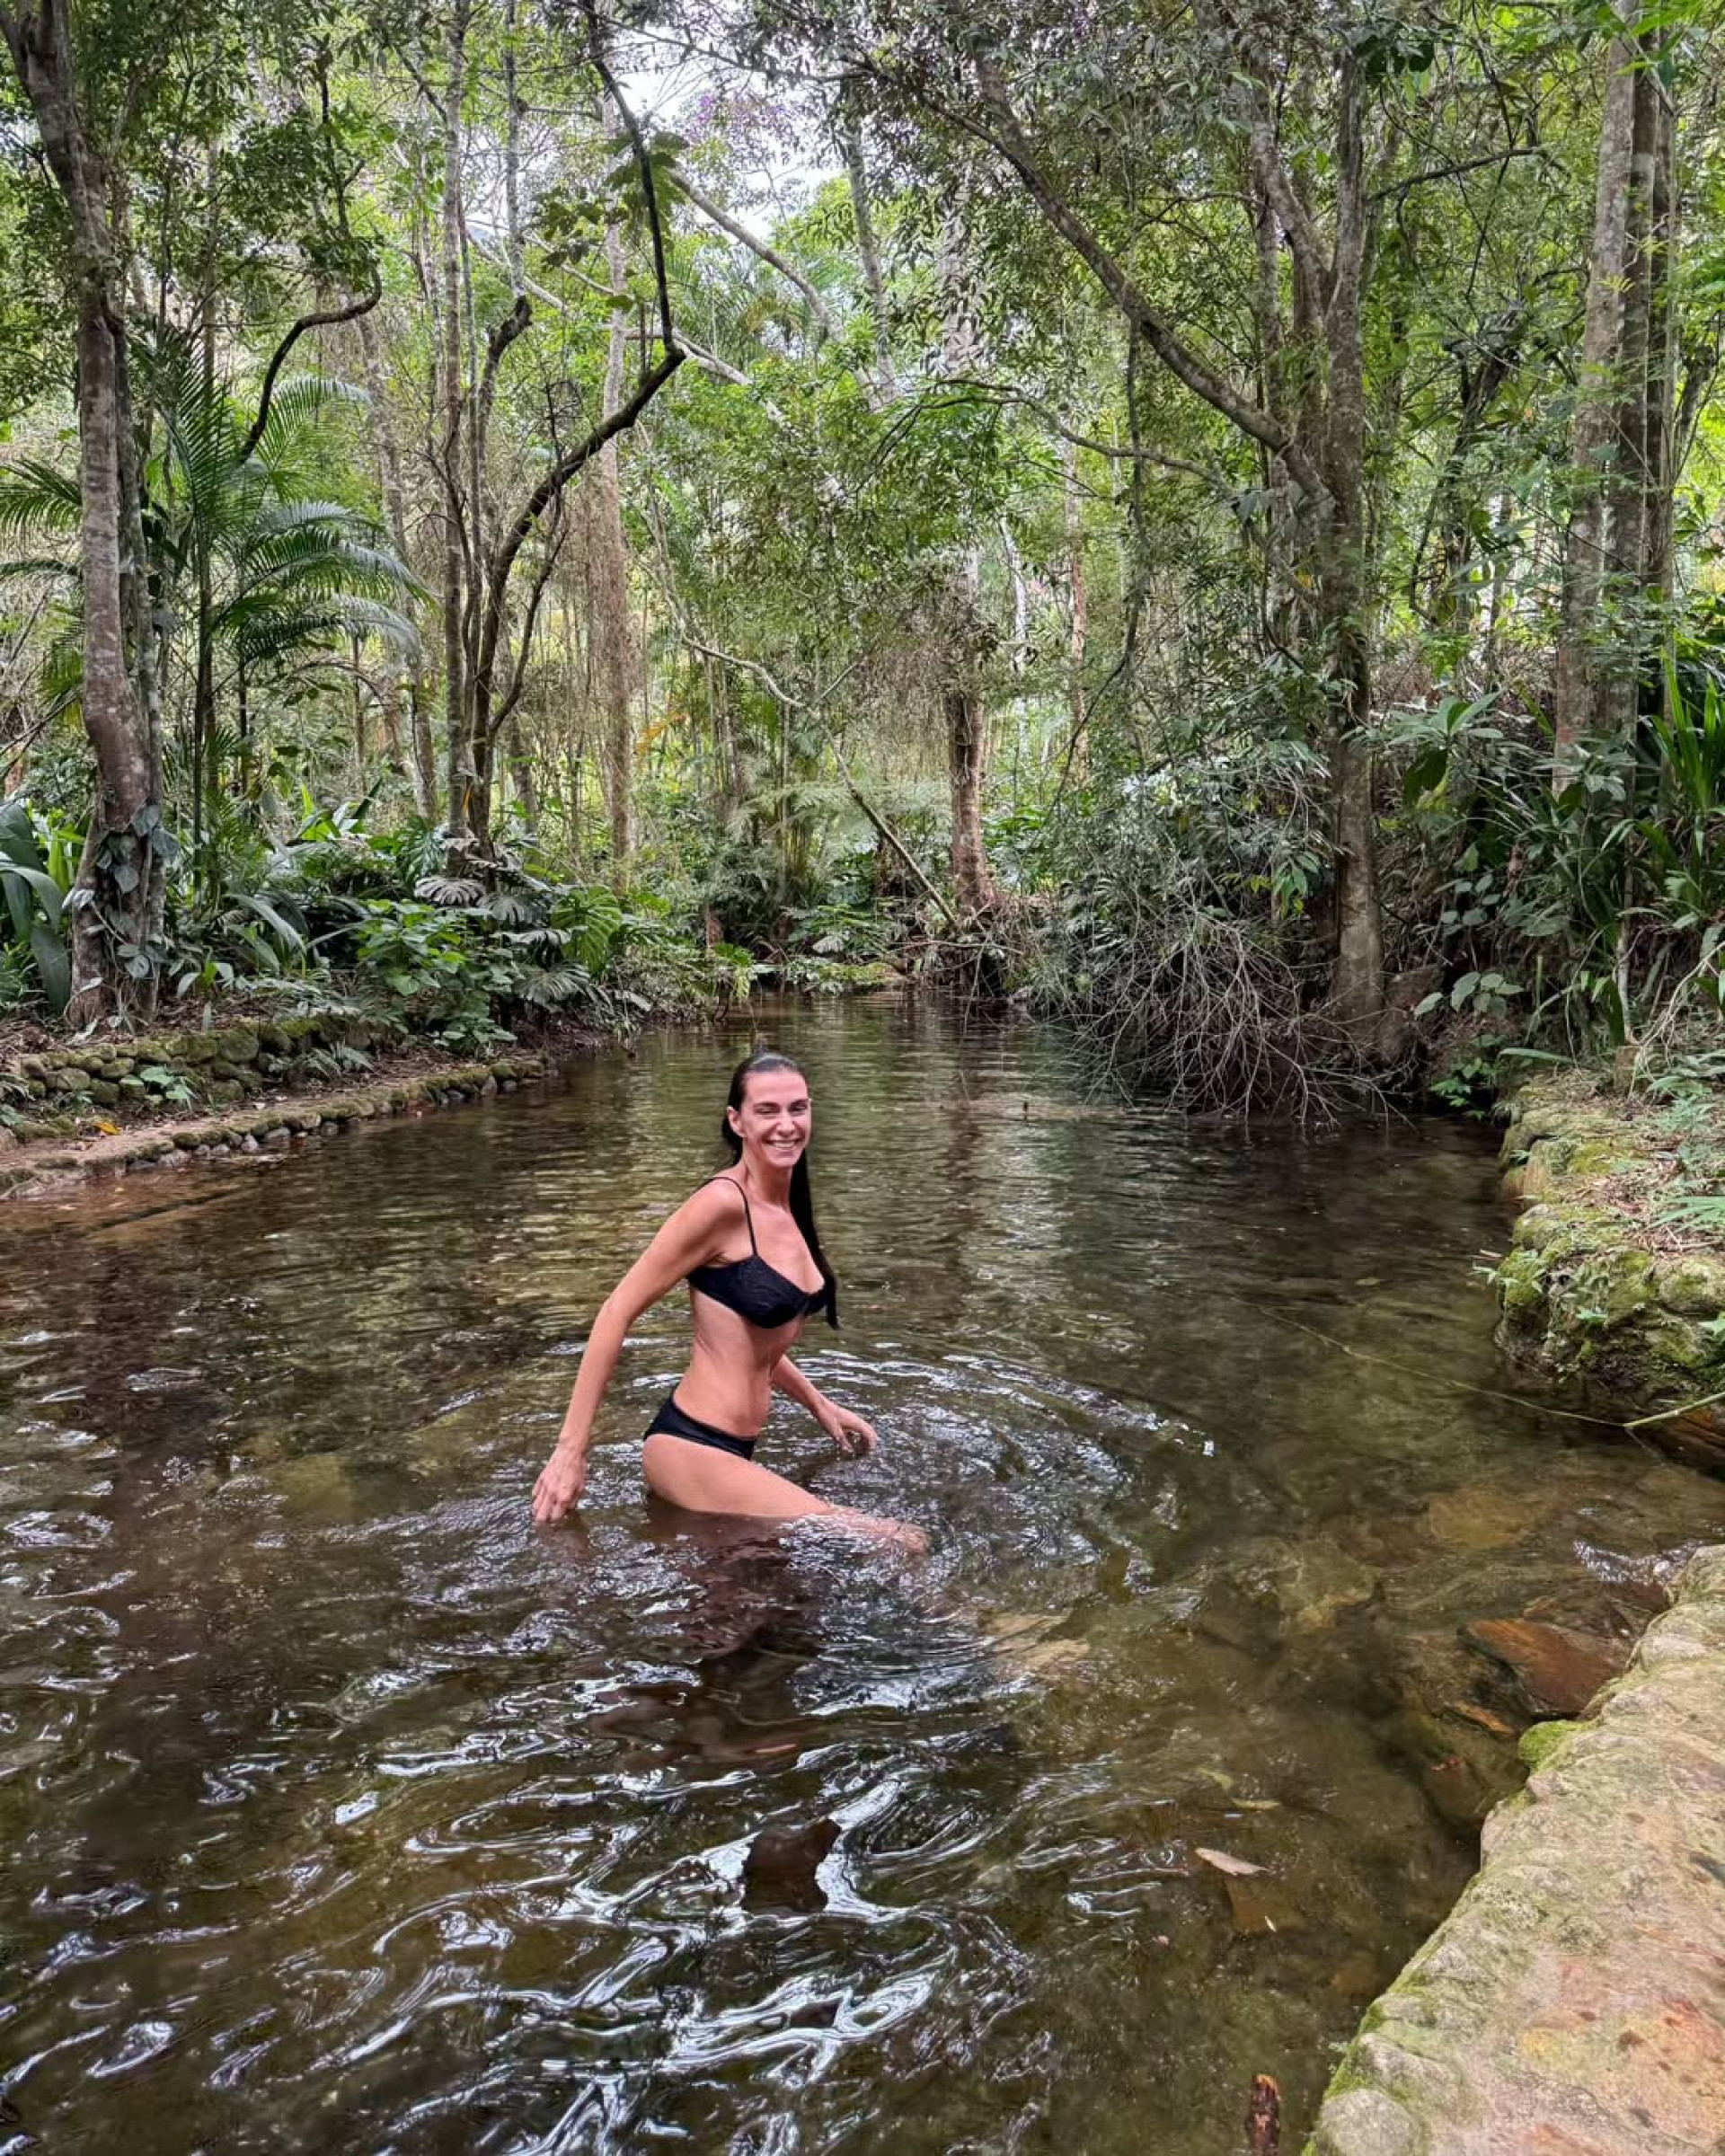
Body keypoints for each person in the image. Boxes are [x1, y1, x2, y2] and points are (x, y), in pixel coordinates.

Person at [531, 1049, 924, 1548]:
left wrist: (819, 1404)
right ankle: (972, 1623)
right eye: (767, 1111)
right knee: (897, 1540)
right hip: (690, 1447)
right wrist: (571, 1450)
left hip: (733, 1452)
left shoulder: (787, 1205)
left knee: (759, 1614)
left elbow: (753, 1340)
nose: (786, 1125)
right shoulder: (720, 1205)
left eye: (797, 1108)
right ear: (737, 1121)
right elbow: (617, 1310)